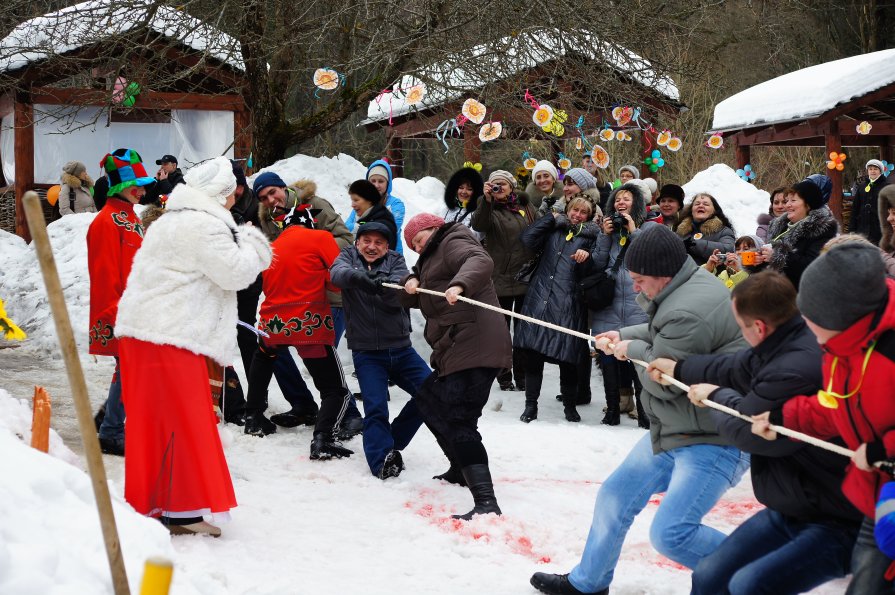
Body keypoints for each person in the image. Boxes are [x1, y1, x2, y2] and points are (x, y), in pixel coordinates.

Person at [530, 223, 749, 595]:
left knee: (672, 533)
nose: (634, 287)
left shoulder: (688, 310)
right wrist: (625, 336)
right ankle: (589, 583)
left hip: (715, 438)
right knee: (615, 495)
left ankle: (763, 574)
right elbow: (658, 332)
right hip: (678, 429)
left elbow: (660, 383)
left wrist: (629, 352)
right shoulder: (682, 287)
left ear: (662, 275)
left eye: (639, 280)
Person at [648, 271, 862, 595]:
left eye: (741, 324)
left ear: (759, 327)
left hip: (838, 518)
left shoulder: (791, 369)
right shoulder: (784, 339)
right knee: (709, 574)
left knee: (750, 586)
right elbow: (736, 367)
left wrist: (715, 397)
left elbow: (748, 430)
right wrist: (678, 368)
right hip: (796, 505)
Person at [114, 156, 271, 537]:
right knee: (182, 422)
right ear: (217, 194)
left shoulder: (173, 219)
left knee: (157, 424)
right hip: (170, 333)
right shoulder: (203, 225)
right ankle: (179, 511)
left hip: (150, 332)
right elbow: (235, 272)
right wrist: (253, 240)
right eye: (232, 189)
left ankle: (159, 505)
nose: (237, 195)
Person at [752, 242, 895, 594]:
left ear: (845, 319)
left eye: (816, 324)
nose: (810, 333)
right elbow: (835, 405)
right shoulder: (840, 348)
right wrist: (784, 417)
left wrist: (884, 449)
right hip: (874, 498)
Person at [399, 213, 512, 520]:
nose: (418, 248)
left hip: (477, 343)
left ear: (432, 229)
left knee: (460, 418)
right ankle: (459, 468)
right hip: (456, 346)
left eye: (420, 240)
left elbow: (478, 259)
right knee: (428, 401)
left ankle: (486, 502)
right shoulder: (429, 259)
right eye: (414, 246)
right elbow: (424, 294)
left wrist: (461, 284)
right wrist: (409, 282)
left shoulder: (453, 240)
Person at [253, 171, 363, 436]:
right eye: (264, 197)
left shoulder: (316, 205)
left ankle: (349, 416)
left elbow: (347, 240)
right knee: (274, 351)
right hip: (292, 299)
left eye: (273, 192)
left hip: (329, 297)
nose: (270, 200)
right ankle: (303, 404)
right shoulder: (268, 220)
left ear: (283, 188)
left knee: (324, 359)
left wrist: (307, 241)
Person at [330, 222, 429, 478]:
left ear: (387, 246)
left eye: (379, 243)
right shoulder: (348, 257)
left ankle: (392, 441)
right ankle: (380, 462)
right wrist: (361, 278)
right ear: (358, 242)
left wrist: (384, 285)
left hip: (400, 348)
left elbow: (401, 285)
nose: (372, 247)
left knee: (431, 392)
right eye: (367, 241)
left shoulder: (395, 260)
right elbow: (337, 274)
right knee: (375, 407)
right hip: (366, 352)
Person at [87, 148, 155, 456]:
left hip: (137, 309)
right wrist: (117, 314)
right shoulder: (105, 222)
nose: (141, 190)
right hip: (122, 313)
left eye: (142, 184)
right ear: (117, 185)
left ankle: (107, 421)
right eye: (135, 184)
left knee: (129, 370)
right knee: (131, 370)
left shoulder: (130, 218)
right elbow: (104, 276)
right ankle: (111, 430)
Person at [513, 194, 600, 423]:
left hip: (569, 302)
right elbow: (527, 239)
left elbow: (594, 270)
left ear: (589, 216)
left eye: (583, 212)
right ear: (567, 210)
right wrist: (550, 219)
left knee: (567, 355)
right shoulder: (553, 228)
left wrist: (586, 258)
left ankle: (570, 406)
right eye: (574, 210)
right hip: (540, 295)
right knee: (533, 354)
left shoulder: (592, 237)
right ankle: (531, 405)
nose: (577, 215)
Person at [589, 182, 650, 427]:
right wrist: (604, 235)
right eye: (617, 199)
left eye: (626, 199)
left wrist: (633, 231)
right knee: (608, 359)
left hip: (637, 306)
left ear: (636, 204)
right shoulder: (605, 233)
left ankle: (644, 413)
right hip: (609, 305)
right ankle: (612, 409)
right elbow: (597, 263)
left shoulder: (645, 232)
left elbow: (645, 260)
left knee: (638, 363)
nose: (621, 203)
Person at [471, 170, 537, 391]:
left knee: (522, 332)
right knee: (500, 331)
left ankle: (522, 375)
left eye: (503, 184)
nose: (499, 188)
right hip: (498, 279)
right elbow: (479, 225)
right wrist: (487, 200)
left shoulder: (525, 207)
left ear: (512, 187)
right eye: (495, 184)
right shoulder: (487, 208)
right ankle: (503, 375)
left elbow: (538, 232)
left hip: (524, 277)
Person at [761, 180, 838, 289]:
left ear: (808, 204)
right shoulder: (781, 226)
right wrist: (758, 260)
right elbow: (771, 262)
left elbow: (812, 266)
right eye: (787, 200)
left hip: (801, 295)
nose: (787, 205)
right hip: (776, 292)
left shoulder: (822, 229)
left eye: (793, 200)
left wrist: (778, 257)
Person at [345, 160, 406, 253]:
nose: (376, 185)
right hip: (364, 257)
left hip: (391, 258)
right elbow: (346, 229)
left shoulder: (396, 204)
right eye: (373, 181)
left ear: (388, 183)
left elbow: (388, 230)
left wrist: (359, 227)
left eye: (381, 181)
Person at [675, 192, 736, 266]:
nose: (700, 206)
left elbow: (728, 250)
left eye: (706, 204)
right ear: (691, 210)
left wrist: (694, 244)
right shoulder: (680, 232)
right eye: (697, 204)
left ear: (714, 210)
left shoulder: (724, 231)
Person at [347, 179, 398, 250]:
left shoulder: (381, 224)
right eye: (352, 200)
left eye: (356, 200)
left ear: (369, 199)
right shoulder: (370, 219)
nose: (352, 205)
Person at [850, 159, 889, 245]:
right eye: (870, 169)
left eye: (875, 169)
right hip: (862, 230)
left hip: (880, 231)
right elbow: (855, 210)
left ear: (880, 171)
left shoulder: (887, 186)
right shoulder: (862, 186)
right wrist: (852, 230)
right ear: (867, 171)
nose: (872, 171)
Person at [442, 165, 484, 238]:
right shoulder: (447, 210)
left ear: (476, 192)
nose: (464, 192)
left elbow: (475, 236)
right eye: (461, 188)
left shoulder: (479, 213)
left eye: (469, 189)